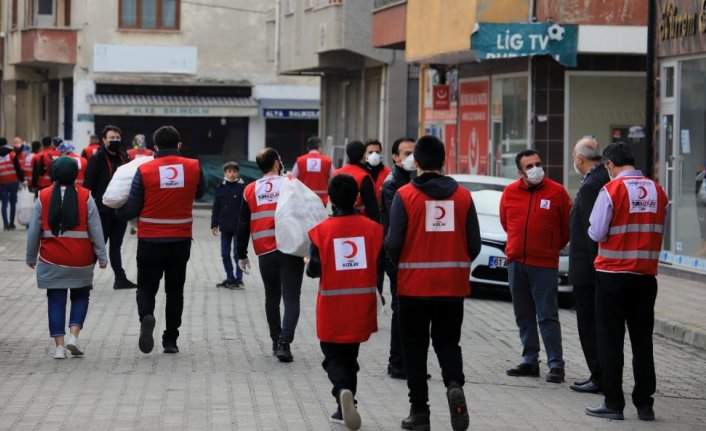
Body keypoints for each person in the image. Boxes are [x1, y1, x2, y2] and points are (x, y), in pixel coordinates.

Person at [385, 135, 480, 431]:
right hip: (452, 286)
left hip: (413, 287)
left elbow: (393, 242)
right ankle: (454, 384)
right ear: (443, 161)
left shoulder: (405, 195)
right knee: (448, 342)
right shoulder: (463, 196)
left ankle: (419, 413)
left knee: (414, 348)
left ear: (417, 163)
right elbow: (474, 244)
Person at [585, 143, 668, 422]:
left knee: (611, 342)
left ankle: (614, 403)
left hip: (612, 276)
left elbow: (597, 232)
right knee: (642, 341)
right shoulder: (658, 191)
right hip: (645, 278)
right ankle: (645, 405)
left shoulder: (611, 190)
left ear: (609, 165)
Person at [117, 125, 205, 355]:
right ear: (179, 145)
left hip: (150, 241)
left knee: (146, 287)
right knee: (175, 291)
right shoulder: (194, 166)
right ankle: (170, 340)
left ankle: (147, 315)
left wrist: (117, 211)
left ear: (155, 147)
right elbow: (201, 192)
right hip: (180, 239)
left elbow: (131, 208)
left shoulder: (145, 170)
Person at [306, 174, 383, 430]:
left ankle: (342, 391)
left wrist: (309, 263)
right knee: (351, 357)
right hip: (361, 305)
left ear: (330, 200)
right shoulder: (373, 229)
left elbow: (315, 270)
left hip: (332, 306)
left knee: (333, 358)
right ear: (356, 197)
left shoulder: (320, 232)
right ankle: (345, 408)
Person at [499, 149, 571, 384]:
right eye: (529, 166)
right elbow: (506, 223)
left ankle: (556, 364)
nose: (535, 169)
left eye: (538, 163)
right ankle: (530, 360)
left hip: (543, 265)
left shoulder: (557, 192)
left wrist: (549, 248)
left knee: (547, 315)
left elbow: (565, 229)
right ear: (520, 172)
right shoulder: (510, 193)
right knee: (523, 315)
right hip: (516, 263)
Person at [25, 156, 108, 359]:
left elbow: (34, 230)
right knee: (81, 296)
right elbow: (96, 229)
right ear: (75, 174)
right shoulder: (86, 196)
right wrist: (102, 256)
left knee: (55, 300)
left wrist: (30, 256)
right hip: (81, 260)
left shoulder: (43, 196)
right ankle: (74, 336)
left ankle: (59, 347)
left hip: (51, 260)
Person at [237, 148, 305, 363]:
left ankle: (276, 341)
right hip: (291, 249)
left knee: (272, 298)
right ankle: (285, 343)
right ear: (277, 162)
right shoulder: (291, 183)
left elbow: (243, 224)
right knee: (291, 298)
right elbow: (305, 213)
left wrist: (241, 254)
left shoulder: (249, 189)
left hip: (265, 251)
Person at [568, 138, 610, 394]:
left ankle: (599, 376)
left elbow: (591, 230)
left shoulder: (592, 184)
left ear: (580, 159)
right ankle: (600, 374)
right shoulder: (600, 178)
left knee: (589, 324)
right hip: (593, 267)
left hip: (588, 269)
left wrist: (595, 265)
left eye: (574, 155)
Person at [380, 137, 416, 379]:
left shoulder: (411, 179)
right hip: (396, 255)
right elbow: (402, 222)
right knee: (401, 309)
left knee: (412, 311)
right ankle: (397, 363)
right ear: (395, 157)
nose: (411, 157)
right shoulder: (392, 184)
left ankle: (409, 362)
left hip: (411, 255)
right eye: (406, 153)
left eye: (414, 152)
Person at [84, 125, 137, 290]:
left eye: (117, 138)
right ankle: (85, 279)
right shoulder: (97, 159)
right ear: (104, 140)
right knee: (98, 245)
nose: (115, 141)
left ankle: (120, 279)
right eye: (111, 138)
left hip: (120, 210)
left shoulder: (124, 157)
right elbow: (87, 186)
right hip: (102, 211)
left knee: (116, 246)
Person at [211, 161, 245, 289]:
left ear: (238, 173)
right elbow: (216, 207)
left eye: (234, 171)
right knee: (225, 253)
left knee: (237, 254)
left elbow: (247, 209)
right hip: (225, 226)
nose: (232, 174)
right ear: (225, 173)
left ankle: (239, 279)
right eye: (229, 171)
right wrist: (214, 224)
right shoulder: (221, 188)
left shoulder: (243, 188)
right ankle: (230, 278)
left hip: (239, 227)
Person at [333, 141, 379, 222]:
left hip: (338, 221)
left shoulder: (336, 173)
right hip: (361, 222)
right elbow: (372, 208)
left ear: (347, 154)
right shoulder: (365, 177)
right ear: (364, 154)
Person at [291, 136, 335, 205]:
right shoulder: (327, 161)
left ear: (308, 148)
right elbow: (334, 179)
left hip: (305, 199)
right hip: (322, 200)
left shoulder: (300, 161)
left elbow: (292, 179)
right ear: (319, 147)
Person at [0, 137, 25, 231]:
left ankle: (5, 225)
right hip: (14, 181)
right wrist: (22, 179)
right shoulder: (12, 154)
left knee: (4, 204)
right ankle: (12, 223)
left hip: (2, 183)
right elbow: (18, 168)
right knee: (13, 203)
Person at [364, 139, 392, 205]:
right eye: (370, 152)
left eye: (377, 152)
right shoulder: (361, 172)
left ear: (381, 154)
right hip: (363, 214)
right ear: (365, 154)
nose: (374, 155)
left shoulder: (388, 173)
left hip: (382, 213)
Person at [695, 164, 706, 257]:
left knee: (703, 245)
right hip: (703, 214)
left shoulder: (701, 176)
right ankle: (690, 260)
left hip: (702, 214)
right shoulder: (703, 177)